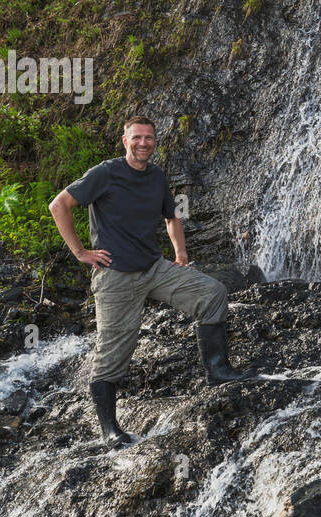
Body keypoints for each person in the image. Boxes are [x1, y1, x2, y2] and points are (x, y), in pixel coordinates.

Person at [48, 115, 259, 448]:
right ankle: (110, 430)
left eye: (148, 138)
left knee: (212, 293)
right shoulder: (106, 173)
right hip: (115, 276)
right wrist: (79, 252)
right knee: (113, 351)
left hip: (154, 267)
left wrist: (181, 256)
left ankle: (218, 371)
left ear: (155, 142)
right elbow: (59, 205)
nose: (143, 143)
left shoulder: (157, 176)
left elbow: (172, 216)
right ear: (125, 140)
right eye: (136, 138)